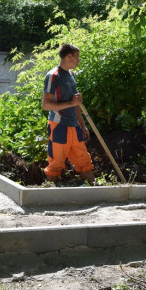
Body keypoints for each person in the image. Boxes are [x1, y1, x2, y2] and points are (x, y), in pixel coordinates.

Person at [41, 43, 95, 185]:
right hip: (58, 125)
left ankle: (93, 189)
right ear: (68, 56)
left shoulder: (71, 75)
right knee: (56, 162)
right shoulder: (53, 76)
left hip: (74, 125)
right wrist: (70, 103)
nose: (78, 60)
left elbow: (75, 103)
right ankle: (52, 193)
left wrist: (82, 125)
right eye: (77, 57)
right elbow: (46, 105)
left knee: (84, 159)